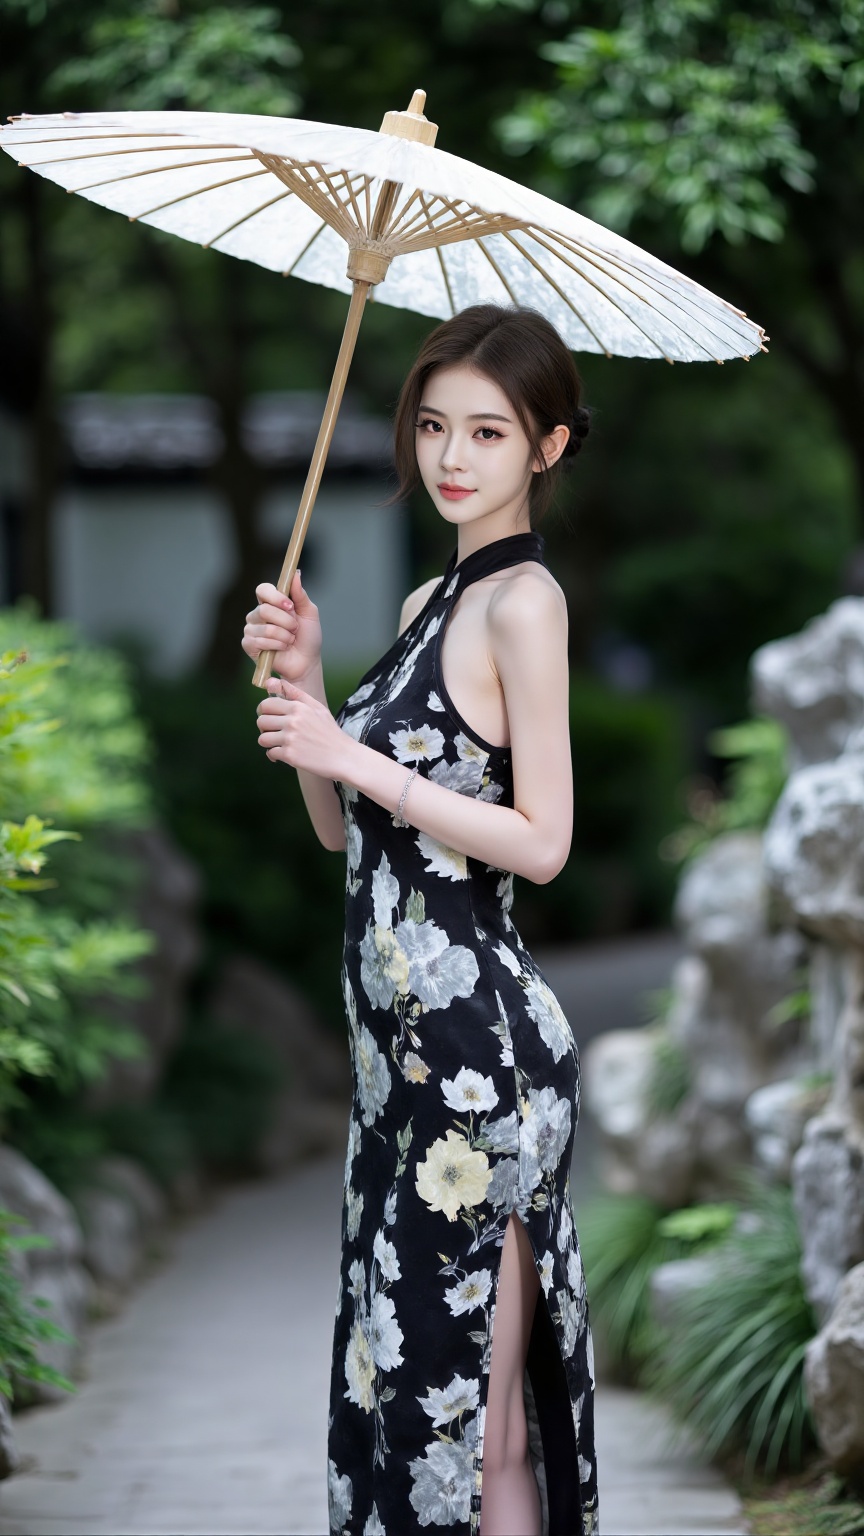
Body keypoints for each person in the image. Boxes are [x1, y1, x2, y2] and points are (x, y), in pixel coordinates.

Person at [243, 304, 598, 1536]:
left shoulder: (523, 607)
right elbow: (345, 836)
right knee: (401, 1408)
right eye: (435, 424)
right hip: (397, 1073)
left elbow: (544, 842)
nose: (453, 455)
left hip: (480, 1069)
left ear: (546, 448)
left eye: (490, 432)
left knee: (479, 1427)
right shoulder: (418, 610)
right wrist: (303, 690)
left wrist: (354, 751)